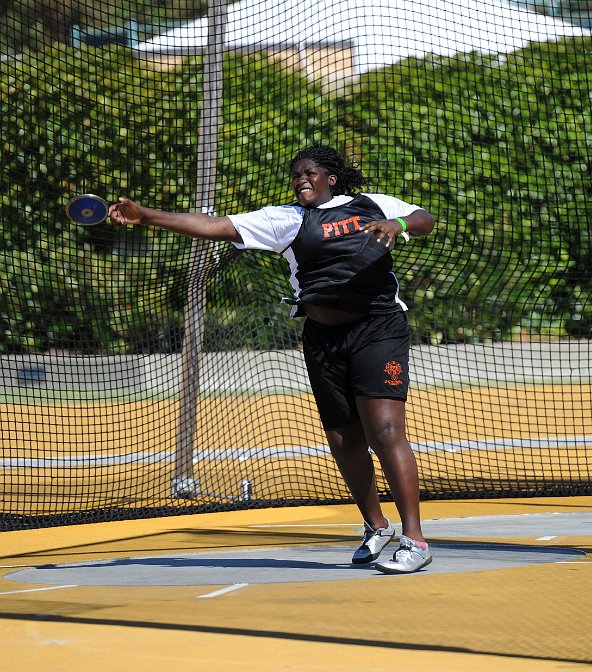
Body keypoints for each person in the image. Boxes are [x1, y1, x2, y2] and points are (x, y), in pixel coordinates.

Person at [109, 143, 435, 574]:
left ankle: (415, 539)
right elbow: (212, 226)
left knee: (385, 429)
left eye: (309, 172)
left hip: (379, 327)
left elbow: (424, 218)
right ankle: (377, 526)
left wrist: (396, 223)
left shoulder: (371, 204)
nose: (301, 179)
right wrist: (147, 215)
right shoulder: (288, 220)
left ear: (331, 177)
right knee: (343, 439)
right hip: (322, 335)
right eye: (296, 174)